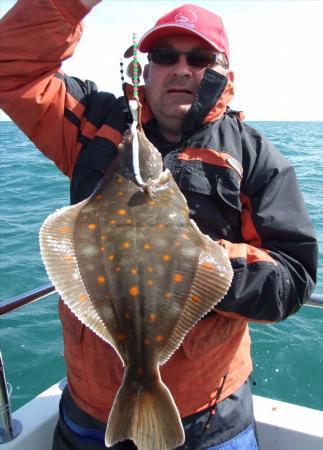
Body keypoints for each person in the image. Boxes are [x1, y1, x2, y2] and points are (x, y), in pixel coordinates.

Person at [0, 1, 318, 449]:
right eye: (166, 56)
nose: (182, 69)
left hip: (209, 415)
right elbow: (9, 69)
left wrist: (198, 265)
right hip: (89, 408)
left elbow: (293, 278)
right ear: (145, 71)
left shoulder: (255, 158)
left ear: (223, 72)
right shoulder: (96, 124)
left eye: (200, 58)